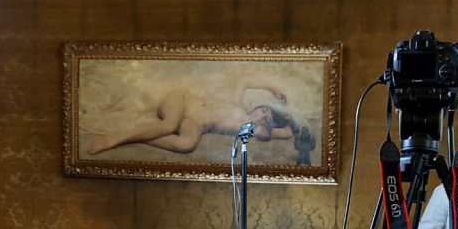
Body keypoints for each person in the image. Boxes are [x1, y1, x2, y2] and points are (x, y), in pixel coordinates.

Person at [81, 82, 315, 160]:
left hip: (194, 123)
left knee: (187, 144)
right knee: (168, 125)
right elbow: (244, 81)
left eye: (267, 118)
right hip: (181, 101)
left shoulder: (251, 129)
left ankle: (138, 137)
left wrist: (288, 118)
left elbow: (286, 132)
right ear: (258, 106)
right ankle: (115, 138)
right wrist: (273, 89)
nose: (262, 115)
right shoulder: (238, 103)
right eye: (263, 110)